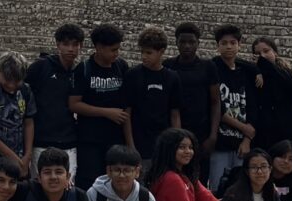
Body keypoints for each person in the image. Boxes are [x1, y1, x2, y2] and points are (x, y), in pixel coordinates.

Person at [70, 24, 129, 189]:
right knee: (90, 184)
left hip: (115, 139)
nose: (116, 53)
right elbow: (74, 104)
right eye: (113, 50)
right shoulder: (84, 69)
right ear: (99, 47)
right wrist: (106, 113)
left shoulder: (121, 66)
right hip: (90, 140)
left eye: (118, 49)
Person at [163, 22, 221, 186]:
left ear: (198, 43)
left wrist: (213, 135)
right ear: (176, 43)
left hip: (202, 134)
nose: (187, 46)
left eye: (191, 42)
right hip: (174, 133)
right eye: (183, 42)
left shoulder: (208, 67)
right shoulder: (168, 66)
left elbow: (215, 102)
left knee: (198, 181)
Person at [25, 23, 84, 180]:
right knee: (39, 185)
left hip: (69, 141)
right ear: (58, 45)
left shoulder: (80, 72)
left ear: (81, 46)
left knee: (67, 185)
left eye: (75, 44)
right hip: (41, 140)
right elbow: (17, 86)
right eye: (66, 44)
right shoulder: (41, 67)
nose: (70, 49)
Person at [210, 24, 261, 193]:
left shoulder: (245, 72)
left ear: (239, 45)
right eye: (224, 43)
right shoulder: (212, 68)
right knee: (218, 189)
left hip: (241, 144)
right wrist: (244, 129)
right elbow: (215, 106)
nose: (229, 47)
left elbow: (252, 107)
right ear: (217, 46)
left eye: (233, 43)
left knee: (240, 190)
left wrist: (247, 140)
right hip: (220, 143)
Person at [122, 27, 181, 169]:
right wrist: (131, 146)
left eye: (149, 53)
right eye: (142, 52)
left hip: (163, 144)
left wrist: (176, 144)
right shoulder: (132, 75)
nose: (144, 56)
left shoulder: (172, 77)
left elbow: (175, 114)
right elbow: (126, 113)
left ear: (161, 51)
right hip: (139, 143)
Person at [250, 37, 292, 151]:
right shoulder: (253, 75)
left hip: (286, 133)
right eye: (258, 54)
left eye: (266, 51)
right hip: (263, 135)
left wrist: (265, 65)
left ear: (275, 52)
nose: (262, 56)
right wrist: (257, 70)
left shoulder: (286, 73)